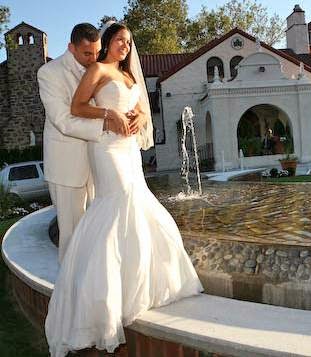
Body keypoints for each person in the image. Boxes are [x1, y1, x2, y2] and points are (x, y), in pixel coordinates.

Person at [44, 22, 204, 357]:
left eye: (129, 42)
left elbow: (143, 108)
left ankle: (134, 287)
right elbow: (74, 109)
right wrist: (109, 114)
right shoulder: (98, 69)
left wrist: (140, 119)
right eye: (120, 40)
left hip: (128, 149)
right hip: (106, 147)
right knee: (117, 206)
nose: (125, 46)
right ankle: (91, 301)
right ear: (106, 44)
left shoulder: (130, 77)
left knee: (138, 206)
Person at [37, 23, 129, 263]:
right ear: (71, 47)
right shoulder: (49, 73)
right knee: (72, 236)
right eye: (87, 53)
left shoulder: (100, 68)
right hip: (68, 168)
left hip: (100, 163)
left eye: (96, 53)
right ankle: (69, 295)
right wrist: (106, 125)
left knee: (98, 233)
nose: (92, 59)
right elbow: (63, 121)